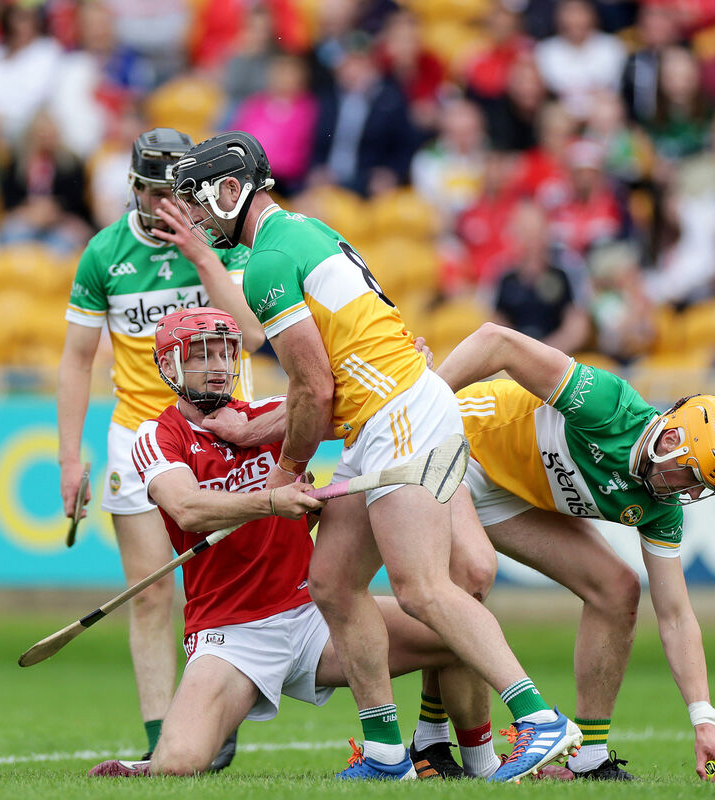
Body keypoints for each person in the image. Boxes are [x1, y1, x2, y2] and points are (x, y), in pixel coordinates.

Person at [171, 131, 580, 782]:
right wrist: (275, 445)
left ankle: (538, 719)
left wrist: (284, 475)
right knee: (332, 581)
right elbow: (329, 388)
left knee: (423, 589)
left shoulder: (276, 259)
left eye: (198, 201)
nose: (194, 215)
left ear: (229, 190)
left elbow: (313, 386)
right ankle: (389, 753)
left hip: (402, 418)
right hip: (383, 417)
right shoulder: (299, 235)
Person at [88, 308, 487, 779]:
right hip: (231, 632)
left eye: (226, 352)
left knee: (462, 632)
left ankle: (475, 763)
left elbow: (362, 404)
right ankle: (146, 765)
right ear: (170, 365)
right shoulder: (158, 435)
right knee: (179, 763)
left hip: (314, 615)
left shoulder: (270, 416)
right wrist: (272, 500)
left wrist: (409, 377)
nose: (218, 365)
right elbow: (187, 508)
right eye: (201, 354)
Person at [422, 322, 715, 782]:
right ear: (671, 440)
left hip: (510, 492)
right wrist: (425, 402)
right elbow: (496, 340)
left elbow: (676, 615)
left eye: (701, 488)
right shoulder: (609, 406)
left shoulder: (662, 508)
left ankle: (589, 758)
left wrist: (704, 722)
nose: (688, 492)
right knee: (472, 575)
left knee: (618, 589)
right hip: (461, 444)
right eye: (690, 477)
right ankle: (431, 740)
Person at [57, 127, 265, 767]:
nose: (160, 205)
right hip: (138, 437)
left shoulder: (218, 242)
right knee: (151, 592)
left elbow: (253, 335)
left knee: (231, 581)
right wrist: (70, 455)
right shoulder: (103, 254)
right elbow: (75, 360)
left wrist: (203, 255)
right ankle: (164, 739)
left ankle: (214, 708)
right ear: (132, 187)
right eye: (149, 192)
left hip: (222, 432)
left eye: (172, 193)